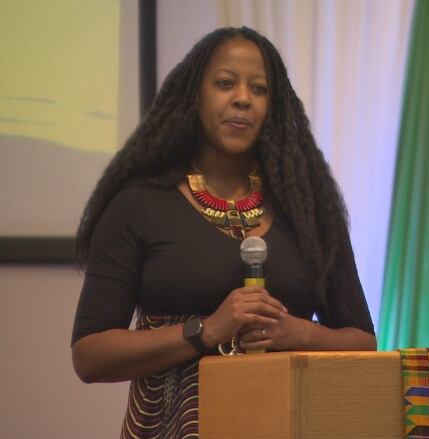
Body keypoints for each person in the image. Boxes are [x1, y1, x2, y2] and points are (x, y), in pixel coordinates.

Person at [71, 27, 376, 437]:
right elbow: (90, 355)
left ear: (273, 106)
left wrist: (297, 333)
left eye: (259, 89)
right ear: (194, 97)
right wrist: (206, 330)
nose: (242, 98)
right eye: (225, 83)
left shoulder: (309, 210)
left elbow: (363, 342)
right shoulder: (139, 205)